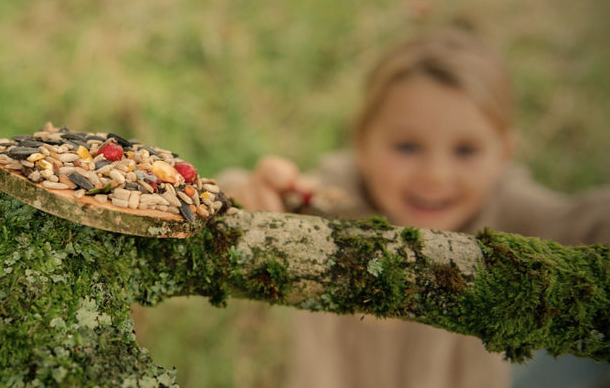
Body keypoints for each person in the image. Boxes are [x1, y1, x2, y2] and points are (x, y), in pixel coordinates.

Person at [218, 27, 610, 388]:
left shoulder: (509, 209)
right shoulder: (334, 197)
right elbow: (244, 200)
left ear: (504, 154)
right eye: (407, 146)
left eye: (466, 150)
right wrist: (244, 193)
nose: (436, 176)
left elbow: (585, 220)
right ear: (362, 142)